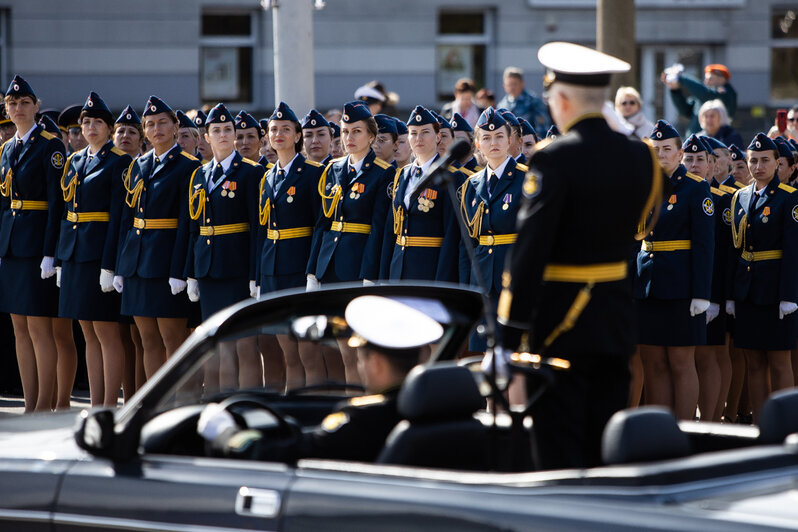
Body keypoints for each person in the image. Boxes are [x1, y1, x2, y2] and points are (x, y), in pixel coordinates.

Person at [494, 44, 659, 469]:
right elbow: (645, 222)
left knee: (559, 454)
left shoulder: (555, 158)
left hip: (561, 328)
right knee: (605, 448)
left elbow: (529, 254)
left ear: (562, 100)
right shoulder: (641, 155)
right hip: (616, 322)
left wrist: (509, 337)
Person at [197, 294, 442, 462]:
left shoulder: (365, 421)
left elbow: (284, 454)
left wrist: (227, 434)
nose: (360, 366)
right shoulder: (441, 414)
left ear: (376, 364)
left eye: (361, 359)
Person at [308, 101, 393, 382]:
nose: (349, 138)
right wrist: (312, 271)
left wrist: (370, 274)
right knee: (340, 346)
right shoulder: (332, 170)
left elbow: (378, 230)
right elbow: (323, 223)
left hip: (358, 266)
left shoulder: (383, 173)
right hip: (330, 266)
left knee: (361, 345)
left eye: (356, 131)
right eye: (345, 132)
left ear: (371, 136)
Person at [116, 95, 201, 379]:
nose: (157, 129)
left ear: (176, 126)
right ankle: (154, 405)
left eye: (163, 123)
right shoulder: (138, 165)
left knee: (172, 341)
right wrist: (119, 265)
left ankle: (177, 404)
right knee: (147, 341)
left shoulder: (188, 166)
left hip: (166, 263)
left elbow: (187, 225)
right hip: (137, 263)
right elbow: (127, 221)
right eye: (150, 124)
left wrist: (179, 270)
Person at [57, 92, 131, 407]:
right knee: (87, 332)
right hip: (75, 252)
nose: (89, 127)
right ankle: (95, 404)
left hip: (99, 253)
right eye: (86, 122)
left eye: (97, 122)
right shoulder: (75, 159)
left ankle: (109, 406)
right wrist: (60, 258)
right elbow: (66, 211)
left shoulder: (119, 160)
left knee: (106, 332)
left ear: (109, 127)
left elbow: (119, 218)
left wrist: (110, 265)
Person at [636, 130, 714, 421]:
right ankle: (660, 428)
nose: (661, 154)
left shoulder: (695, 188)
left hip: (681, 286)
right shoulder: (645, 185)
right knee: (653, 361)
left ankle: (684, 431)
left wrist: (702, 293)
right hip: (647, 284)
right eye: (655, 149)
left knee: (681, 361)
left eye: (667, 148)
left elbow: (705, 245)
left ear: (680, 154)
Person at [0, 76, 68, 412]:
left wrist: (49, 253)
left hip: (37, 243)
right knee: (20, 329)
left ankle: (44, 403)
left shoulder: (49, 145)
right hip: (12, 246)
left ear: (36, 106)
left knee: (40, 328)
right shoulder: (6, 149)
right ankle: (30, 403)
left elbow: (57, 203)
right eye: (12, 103)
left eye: (24, 102)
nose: (17, 108)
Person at [186, 103, 261, 390]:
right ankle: (215, 397)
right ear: (206, 137)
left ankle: (239, 398)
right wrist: (190, 272)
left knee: (241, 342)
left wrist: (255, 275)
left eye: (227, 130)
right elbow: (193, 227)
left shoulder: (250, 173)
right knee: (214, 341)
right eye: (215, 130)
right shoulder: (200, 174)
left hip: (236, 266)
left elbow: (257, 229)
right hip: (207, 266)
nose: (222, 135)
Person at [727, 133, 798, 422]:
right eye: (753, 160)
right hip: (747, 290)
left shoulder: (789, 199)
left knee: (779, 361)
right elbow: (737, 250)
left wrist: (789, 296)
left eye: (765, 160)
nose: (758, 166)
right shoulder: (740, 197)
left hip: (776, 290)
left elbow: (794, 252)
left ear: (778, 163)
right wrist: (732, 294)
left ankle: (788, 424)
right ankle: (762, 423)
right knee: (753, 361)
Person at [258, 102, 325, 389]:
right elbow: (264, 230)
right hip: (273, 269)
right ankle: (293, 405)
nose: (279, 134)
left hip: (299, 267)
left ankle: (313, 406)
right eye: (274, 130)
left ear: (298, 136)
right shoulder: (269, 175)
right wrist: (258, 276)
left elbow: (320, 226)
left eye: (286, 129)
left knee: (307, 351)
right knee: (286, 350)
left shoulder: (312, 173)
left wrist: (312, 271)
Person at [459, 108, 526, 351]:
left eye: (499, 136)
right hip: (481, 283)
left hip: (514, 280)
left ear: (510, 140)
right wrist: (466, 286)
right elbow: (466, 243)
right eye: (486, 138)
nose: (493, 142)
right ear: (477, 143)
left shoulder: (526, 180)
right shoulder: (470, 185)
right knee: (480, 354)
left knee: (513, 356)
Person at [380, 105, 461, 283]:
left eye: (425, 132)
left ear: (438, 136)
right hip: (398, 269)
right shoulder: (402, 174)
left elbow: (451, 235)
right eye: (413, 133)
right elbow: (390, 230)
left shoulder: (451, 176)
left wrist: (443, 282)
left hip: (428, 271)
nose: (419, 138)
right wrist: (384, 277)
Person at [663, 63, 737, 137]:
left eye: (710, 79)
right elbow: (686, 111)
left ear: (722, 80)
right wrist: (675, 90)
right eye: (706, 79)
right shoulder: (704, 96)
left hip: (717, 140)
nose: (706, 82)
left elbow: (707, 95)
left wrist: (680, 78)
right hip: (696, 140)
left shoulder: (726, 93)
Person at [497, 66, 550, 135]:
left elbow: (542, 128)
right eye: (509, 84)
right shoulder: (502, 105)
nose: (512, 88)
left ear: (522, 84)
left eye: (514, 84)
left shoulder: (533, 101)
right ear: (504, 86)